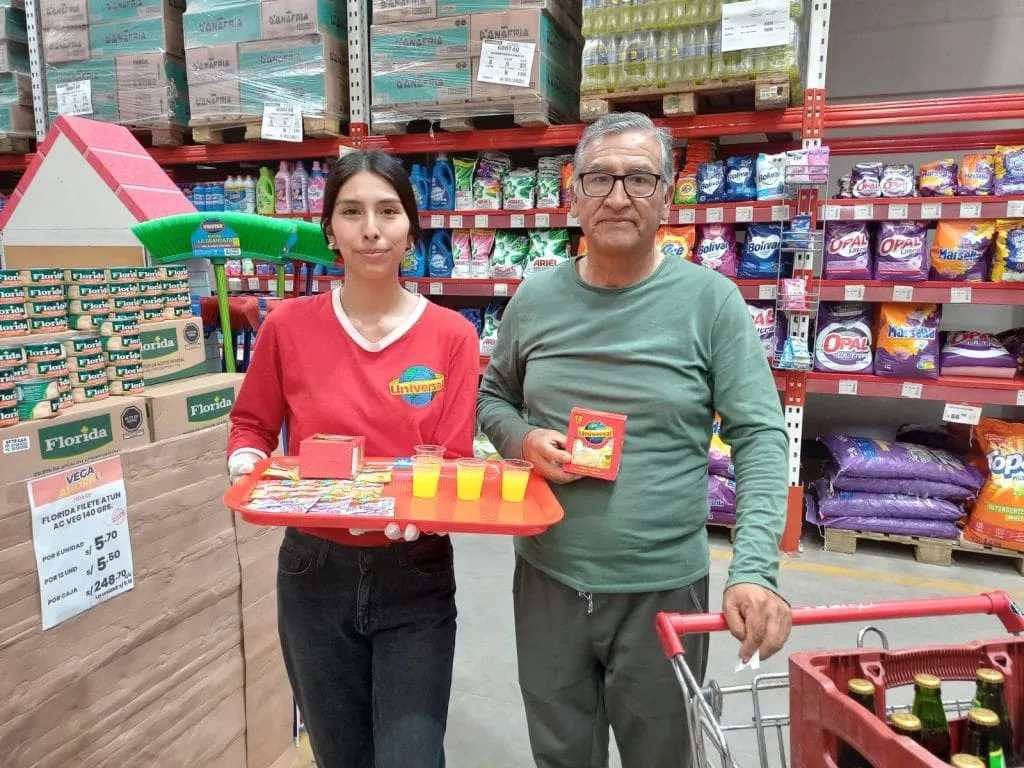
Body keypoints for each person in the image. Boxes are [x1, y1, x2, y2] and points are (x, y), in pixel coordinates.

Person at [476, 112, 793, 768]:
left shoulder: (712, 302)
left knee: (663, 756)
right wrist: (522, 439)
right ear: (573, 194)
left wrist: (755, 569)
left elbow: (761, 436)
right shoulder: (534, 300)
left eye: (639, 179)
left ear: (667, 196)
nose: (617, 196)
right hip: (547, 579)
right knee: (561, 755)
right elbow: (492, 397)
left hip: (663, 589)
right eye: (599, 178)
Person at [227, 150, 480, 768]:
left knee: (411, 755)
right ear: (329, 231)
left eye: (388, 211)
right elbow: (252, 423)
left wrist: (427, 508)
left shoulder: (451, 335)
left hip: (415, 569)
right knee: (339, 755)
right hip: (313, 570)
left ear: (410, 229)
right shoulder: (287, 327)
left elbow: (452, 457)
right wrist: (247, 463)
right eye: (351, 212)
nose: (371, 229)